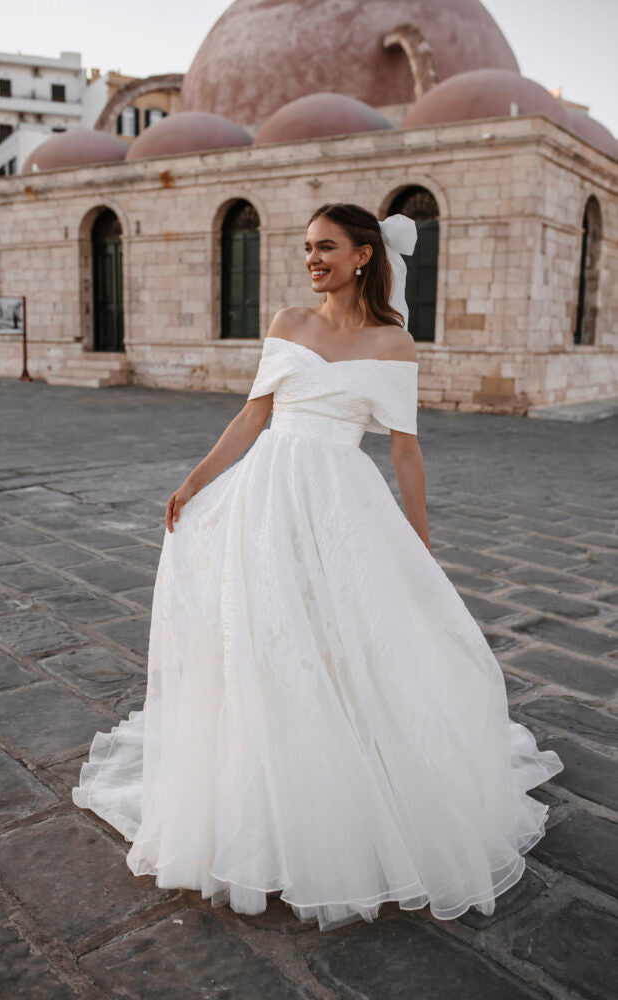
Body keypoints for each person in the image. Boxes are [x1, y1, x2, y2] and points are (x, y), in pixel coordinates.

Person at [72, 202, 563, 933]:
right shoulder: (285, 323)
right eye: (306, 248)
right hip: (264, 498)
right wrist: (195, 480)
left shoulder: (392, 343)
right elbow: (252, 415)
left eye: (325, 247)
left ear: (363, 255)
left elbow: (403, 448)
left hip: (339, 500)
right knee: (263, 637)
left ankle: (348, 784)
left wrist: (417, 543)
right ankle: (261, 789)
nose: (311, 259)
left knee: (338, 638)